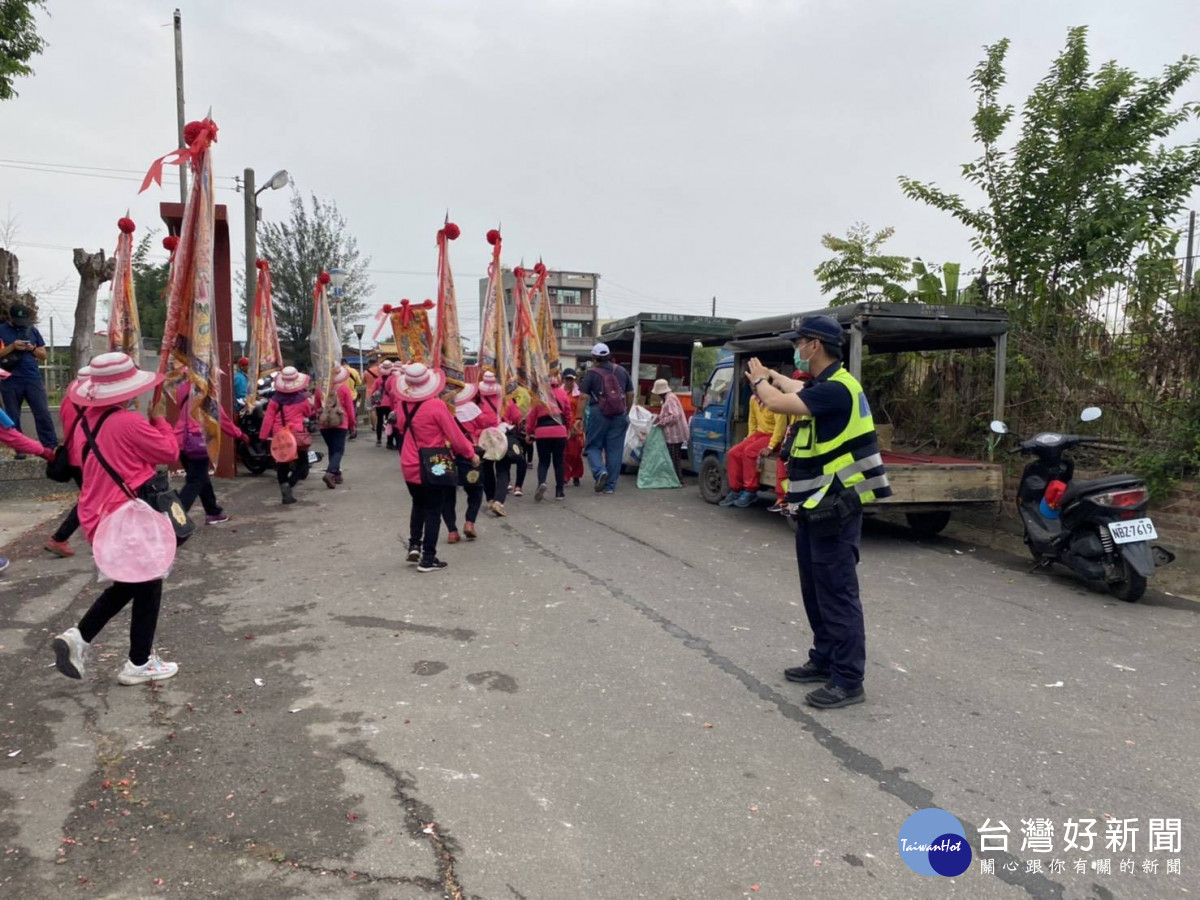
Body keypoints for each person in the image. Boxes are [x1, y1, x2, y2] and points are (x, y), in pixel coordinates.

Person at [747, 315, 891, 710]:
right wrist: (774, 374)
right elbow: (794, 387)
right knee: (815, 589)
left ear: (815, 345)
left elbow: (777, 402)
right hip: (814, 505)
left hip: (836, 507)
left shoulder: (838, 391)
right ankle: (825, 659)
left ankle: (848, 680)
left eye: (800, 341)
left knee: (837, 592)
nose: (797, 346)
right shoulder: (826, 385)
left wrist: (759, 380)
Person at [50, 351, 181, 685]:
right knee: (147, 581)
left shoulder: (86, 423)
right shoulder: (128, 422)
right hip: (127, 514)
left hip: (98, 514)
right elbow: (169, 453)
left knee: (133, 582)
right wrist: (160, 420)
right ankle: (136, 662)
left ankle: (83, 639)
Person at [392, 363, 479, 572]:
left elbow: (401, 428)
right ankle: (428, 558)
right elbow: (455, 436)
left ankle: (414, 545)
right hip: (435, 463)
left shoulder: (402, 405)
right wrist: (470, 454)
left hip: (409, 462)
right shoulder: (436, 406)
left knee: (418, 504)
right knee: (434, 509)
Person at [173, 377, 246, 523]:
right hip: (198, 442)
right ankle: (174, 518)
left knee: (201, 478)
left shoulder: (183, 391)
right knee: (195, 481)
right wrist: (240, 435)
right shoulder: (205, 398)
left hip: (181, 441)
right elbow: (222, 420)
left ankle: (213, 511)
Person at [43, 368, 91, 557]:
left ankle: (60, 539)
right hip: (86, 457)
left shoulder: (68, 397)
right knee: (92, 499)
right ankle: (59, 538)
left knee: (91, 498)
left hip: (72, 454)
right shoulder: (91, 401)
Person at [576, 343, 633, 494]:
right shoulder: (621, 370)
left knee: (593, 446)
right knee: (614, 451)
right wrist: (626, 409)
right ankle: (610, 486)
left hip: (598, 414)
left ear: (594, 357)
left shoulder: (591, 373)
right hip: (619, 415)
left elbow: (583, 397)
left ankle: (600, 472)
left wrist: (578, 418)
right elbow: (631, 393)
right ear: (609, 355)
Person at [0, 303, 57, 452]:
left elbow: (43, 355)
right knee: (13, 415)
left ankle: (50, 445)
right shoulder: (1, 331)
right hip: (9, 378)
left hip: (32, 377)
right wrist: (12, 346)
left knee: (42, 412)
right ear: (11, 318)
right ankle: (20, 449)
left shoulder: (32, 330)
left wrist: (31, 348)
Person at [260, 366, 316, 505]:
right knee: (303, 463)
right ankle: (290, 484)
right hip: (297, 434)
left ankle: (284, 487)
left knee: (282, 464)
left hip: (280, 436)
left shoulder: (274, 400)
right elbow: (308, 413)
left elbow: (268, 419)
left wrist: (263, 437)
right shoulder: (302, 399)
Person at [718, 392, 782, 508]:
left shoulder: (775, 401)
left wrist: (771, 446)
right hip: (760, 434)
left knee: (749, 452)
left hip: (773, 436)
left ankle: (750, 490)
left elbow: (780, 427)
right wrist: (750, 438)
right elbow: (752, 420)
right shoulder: (753, 399)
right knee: (733, 453)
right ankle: (735, 489)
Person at [441, 382, 487, 542]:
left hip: (443, 455)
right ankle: (469, 523)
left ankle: (452, 531)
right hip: (467, 453)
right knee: (475, 489)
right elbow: (485, 425)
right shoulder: (472, 408)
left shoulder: (439, 407)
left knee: (447, 495)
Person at [476, 371, 522, 517]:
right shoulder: (506, 399)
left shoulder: (478, 401)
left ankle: (490, 499)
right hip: (502, 437)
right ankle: (498, 502)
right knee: (502, 470)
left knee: (487, 469)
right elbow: (517, 417)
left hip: (485, 438)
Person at [526, 379, 573, 502]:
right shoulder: (562, 393)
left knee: (543, 462)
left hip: (542, 432)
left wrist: (529, 432)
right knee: (558, 462)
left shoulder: (538, 394)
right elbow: (568, 413)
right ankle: (559, 491)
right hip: (559, 431)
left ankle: (542, 483)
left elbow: (532, 415)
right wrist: (568, 428)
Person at [315, 365, 357, 489]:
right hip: (340, 422)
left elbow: (316, 407)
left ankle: (337, 474)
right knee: (338, 450)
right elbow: (350, 409)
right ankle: (331, 472)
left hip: (324, 424)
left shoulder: (319, 389)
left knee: (332, 449)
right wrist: (352, 424)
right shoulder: (344, 389)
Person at [650, 378, 688, 482]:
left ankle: (678, 479)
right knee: (674, 457)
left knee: (674, 458)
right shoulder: (668, 398)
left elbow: (675, 415)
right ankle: (676, 478)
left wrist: (662, 422)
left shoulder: (670, 399)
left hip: (675, 434)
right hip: (673, 434)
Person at [561, 369, 585, 487]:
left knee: (576, 454)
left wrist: (578, 424)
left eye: (571, 379)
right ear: (564, 379)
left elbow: (582, 411)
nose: (569, 381)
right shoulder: (559, 393)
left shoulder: (579, 395)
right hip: (563, 426)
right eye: (567, 379)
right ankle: (565, 476)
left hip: (576, 427)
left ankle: (576, 475)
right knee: (565, 453)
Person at [372, 360, 395, 447]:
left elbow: (374, 391)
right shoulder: (392, 379)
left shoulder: (378, 380)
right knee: (390, 422)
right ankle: (389, 441)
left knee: (379, 421)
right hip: (389, 403)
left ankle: (378, 440)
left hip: (379, 404)